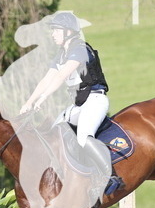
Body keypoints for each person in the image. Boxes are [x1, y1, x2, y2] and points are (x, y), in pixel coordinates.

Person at [19, 11, 123, 196]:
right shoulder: (61, 54)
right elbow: (46, 79)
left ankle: (110, 177)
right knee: (55, 131)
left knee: (83, 136)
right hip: (80, 105)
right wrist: (29, 102)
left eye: (56, 30)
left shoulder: (80, 49)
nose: (53, 34)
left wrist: (43, 99)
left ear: (68, 31)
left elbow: (61, 75)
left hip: (95, 100)